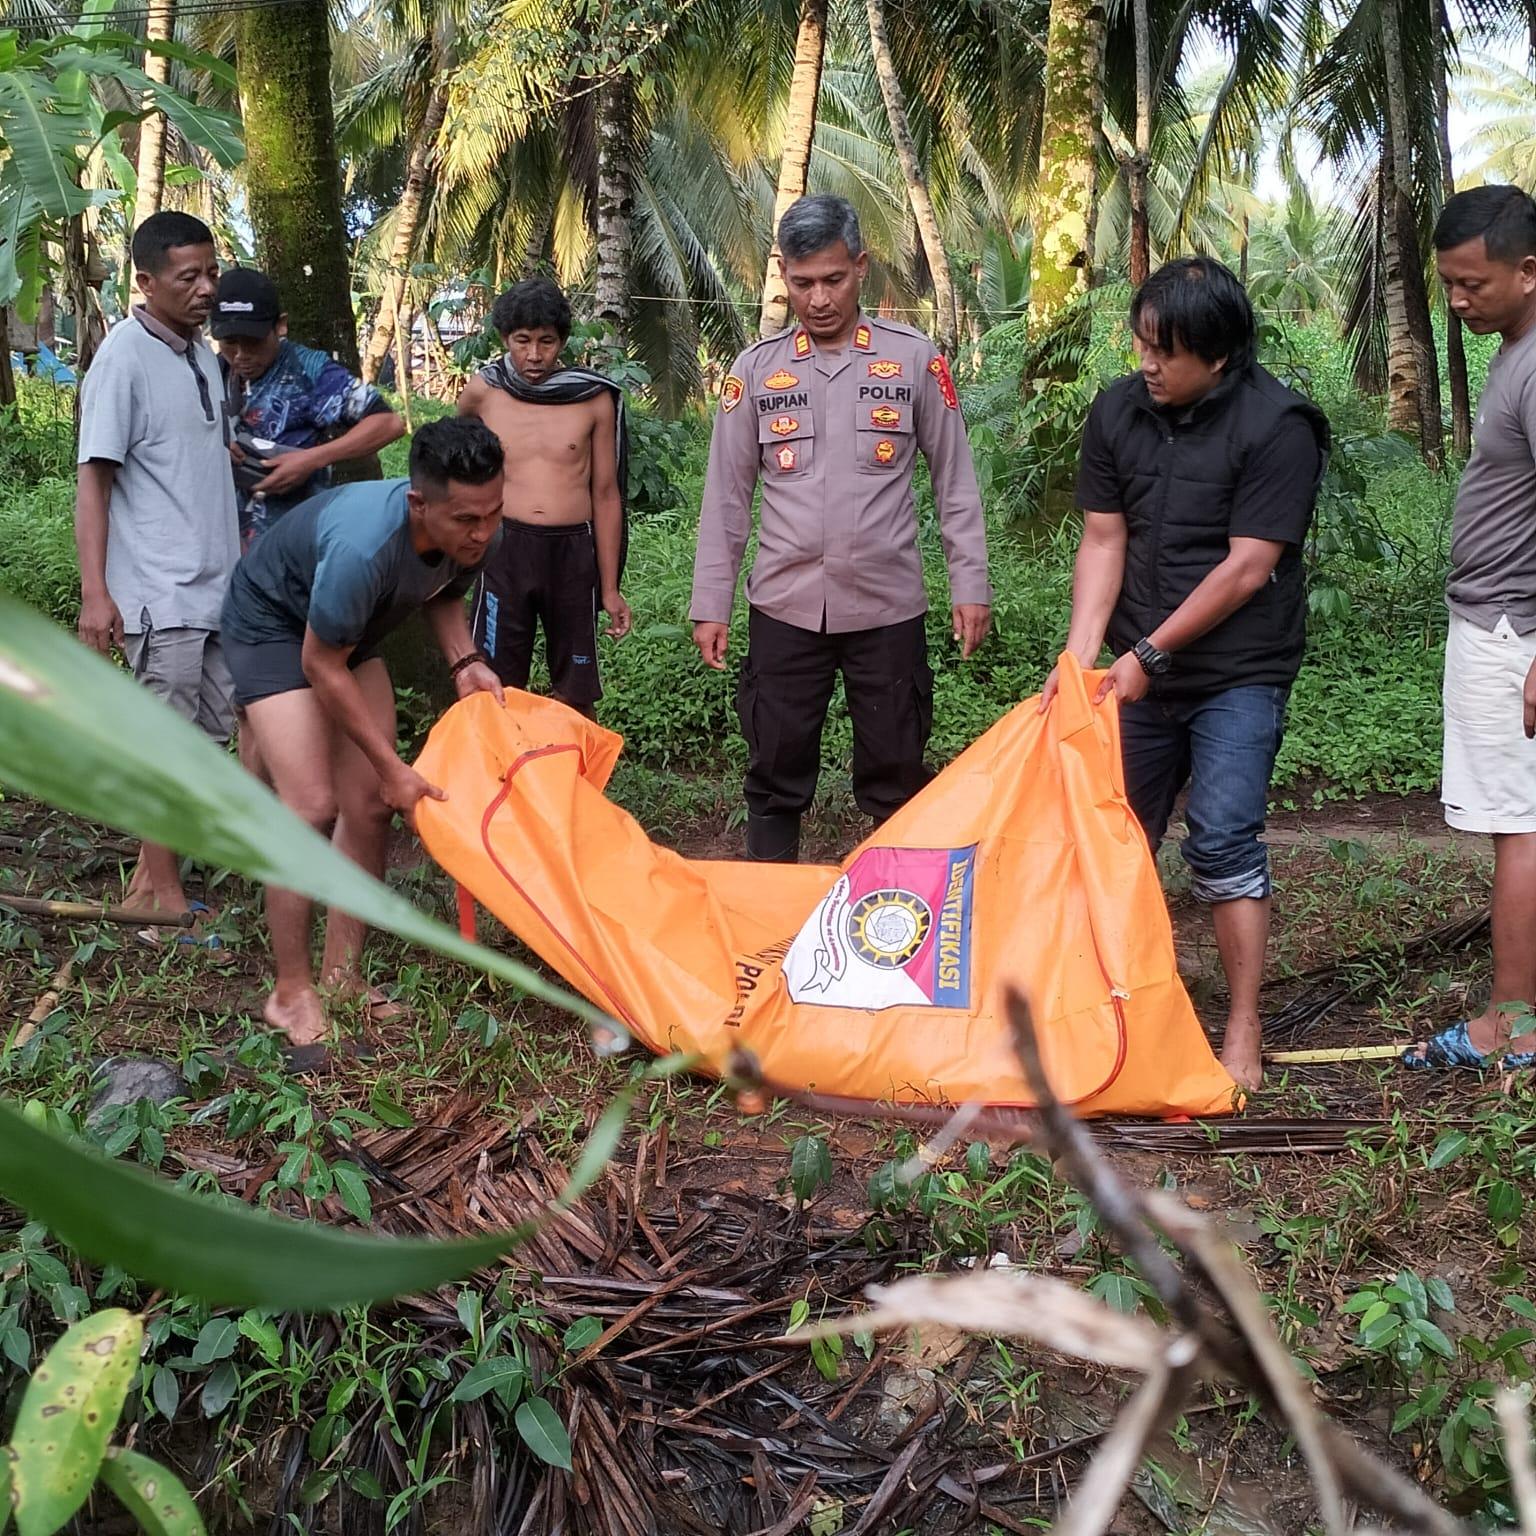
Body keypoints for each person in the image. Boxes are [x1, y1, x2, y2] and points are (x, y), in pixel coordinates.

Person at [1047, 257, 1330, 1090]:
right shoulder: (1118, 409)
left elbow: (1248, 567)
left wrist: (1149, 656)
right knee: (1115, 831)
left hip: (1238, 672)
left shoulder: (1279, 426)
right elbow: (1104, 539)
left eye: (1166, 352)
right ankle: (1105, 1002)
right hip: (1138, 663)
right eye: (1141, 344)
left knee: (1223, 836)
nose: (1147, 364)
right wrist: (1083, 657)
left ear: (1221, 356)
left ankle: (1242, 1023)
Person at [690, 194, 992, 862]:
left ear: (861, 266)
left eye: (833, 279)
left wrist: (971, 585)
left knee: (896, 778)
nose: (818, 298)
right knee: (774, 776)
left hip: (887, 610)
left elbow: (955, 483)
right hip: (784, 609)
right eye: (802, 284)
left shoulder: (914, 361)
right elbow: (727, 499)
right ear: (783, 275)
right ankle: (769, 914)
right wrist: (711, 603)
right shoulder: (755, 372)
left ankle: (894, 928)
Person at [219, 417, 507, 1046]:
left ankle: (342, 976)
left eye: (492, 513)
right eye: (466, 520)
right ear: (418, 502)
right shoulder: (362, 548)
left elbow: (443, 587)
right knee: (311, 805)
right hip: (274, 626)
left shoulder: (473, 525)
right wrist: (394, 766)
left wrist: (465, 662)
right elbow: (320, 664)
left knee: (371, 808)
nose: (483, 532)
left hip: (348, 631)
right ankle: (290, 992)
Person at [74, 210, 238, 943]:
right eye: (188, 278)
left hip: (217, 588)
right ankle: (164, 899)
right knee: (164, 742)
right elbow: (94, 482)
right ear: (145, 282)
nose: (206, 288)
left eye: (211, 273)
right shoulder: (122, 360)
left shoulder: (204, 356)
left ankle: (151, 877)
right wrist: (95, 593)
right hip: (157, 593)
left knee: (206, 736)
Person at [1404, 187, 1536, 1072]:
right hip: (1503, 623)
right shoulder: (1514, 351)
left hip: (1509, 630)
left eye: (1471, 283)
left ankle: (1511, 1026)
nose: (1457, 301)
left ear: (1528, 272)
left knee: (1519, 825)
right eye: (1448, 284)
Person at [457, 277, 630, 719]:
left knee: (577, 691)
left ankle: (574, 784)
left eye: (546, 342)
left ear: (563, 342)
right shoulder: (483, 391)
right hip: (503, 553)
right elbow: (455, 466)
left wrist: (609, 589)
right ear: (504, 339)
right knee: (492, 684)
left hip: (572, 555)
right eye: (523, 341)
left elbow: (607, 495)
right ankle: (499, 782)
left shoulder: (593, 399)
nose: (534, 356)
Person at [212, 267, 405, 550]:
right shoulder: (209, 370)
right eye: (230, 343)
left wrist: (312, 460)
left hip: (294, 546)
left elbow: (388, 424)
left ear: (281, 326)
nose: (241, 356)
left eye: (253, 342)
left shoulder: (310, 371)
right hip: (223, 546)